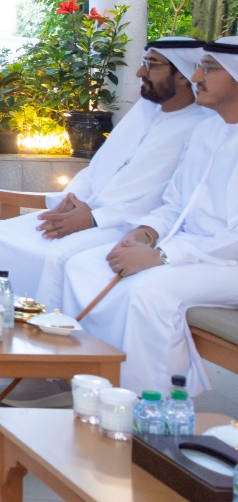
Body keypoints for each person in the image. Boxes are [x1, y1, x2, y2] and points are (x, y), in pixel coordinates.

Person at [62, 38, 238, 395]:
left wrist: (163, 256)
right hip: (191, 250)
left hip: (228, 263)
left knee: (148, 291)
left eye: (208, 69)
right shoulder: (207, 131)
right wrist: (146, 234)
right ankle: (88, 385)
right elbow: (176, 203)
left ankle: (151, 406)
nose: (196, 77)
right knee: (87, 266)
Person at [0, 38, 212, 310]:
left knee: (60, 258)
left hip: (128, 225)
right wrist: (73, 201)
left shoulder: (203, 128)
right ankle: (1, 315)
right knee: (0, 234)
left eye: (152, 65)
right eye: (144, 63)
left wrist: (93, 219)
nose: (140, 72)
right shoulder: (143, 113)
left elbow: (166, 199)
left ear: (184, 74)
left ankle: (48, 329)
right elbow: (97, 168)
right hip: (87, 211)